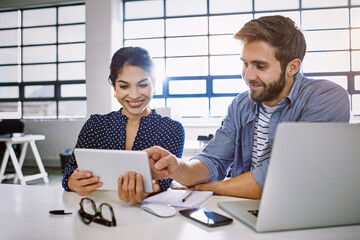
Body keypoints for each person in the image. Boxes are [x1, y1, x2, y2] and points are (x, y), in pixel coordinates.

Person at [146, 15, 350, 200]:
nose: (248, 76)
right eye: (245, 63)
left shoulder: (326, 97)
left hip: (299, 210)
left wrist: (212, 188)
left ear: (292, 67)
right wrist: (178, 167)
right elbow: (213, 161)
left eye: (260, 66)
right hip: (244, 209)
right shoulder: (241, 104)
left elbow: (283, 178)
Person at [62, 47, 185, 203]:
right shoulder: (95, 125)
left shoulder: (172, 129)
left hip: (149, 215)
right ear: (114, 86)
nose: (134, 95)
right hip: (98, 208)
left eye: (143, 85)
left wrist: (148, 192)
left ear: (154, 85)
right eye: (124, 86)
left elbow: (165, 180)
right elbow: (70, 170)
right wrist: (72, 182)